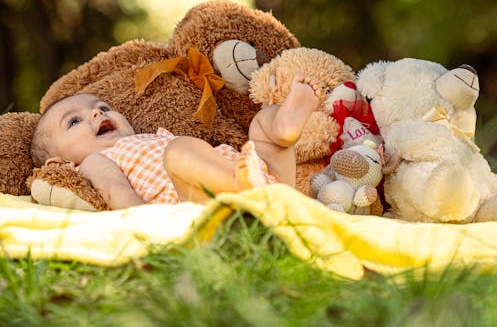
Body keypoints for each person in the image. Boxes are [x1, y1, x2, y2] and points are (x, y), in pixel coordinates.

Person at [30, 76, 320, 210]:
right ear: (60, 164)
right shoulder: (94, 162)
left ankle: (283, 128)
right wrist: (147, 223)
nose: (96, 113)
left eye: (103, 107)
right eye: (74, 122)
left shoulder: (147, 139)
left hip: (263, 177)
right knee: (177, 153)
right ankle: (240, 183)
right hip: (198, 202)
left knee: (262, 123)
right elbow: (114, 190)